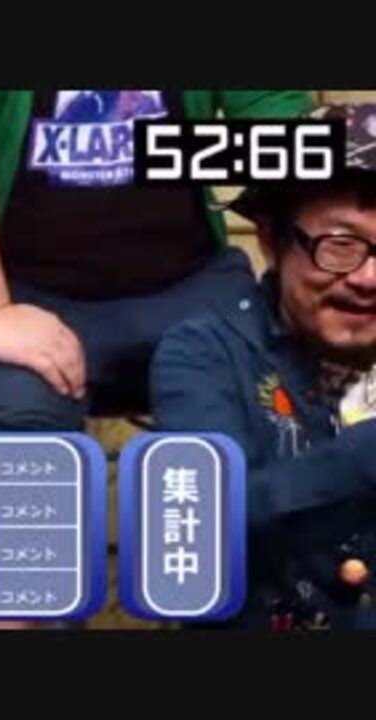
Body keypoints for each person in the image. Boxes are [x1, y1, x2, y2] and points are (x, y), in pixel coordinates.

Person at [0, 90, 314, 432]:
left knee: (253, 425)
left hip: (188, 286)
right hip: (12, 292)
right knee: (17, 434)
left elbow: (281, 127)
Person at [151, 103, 376, 629]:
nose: (368, 278)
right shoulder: (204, 354)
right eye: (341, 245)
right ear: (272, 240)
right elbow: (199, 533)